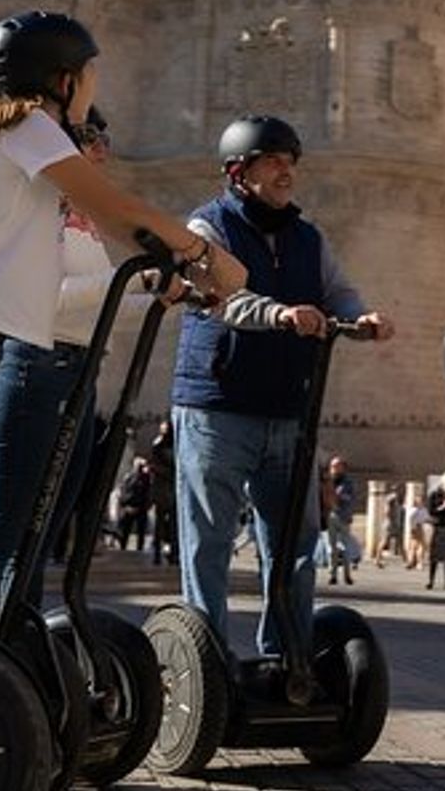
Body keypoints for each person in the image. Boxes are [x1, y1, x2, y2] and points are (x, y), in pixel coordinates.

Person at [0, 10, 245, 631]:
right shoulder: (28, 125)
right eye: (89, 76)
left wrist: (174, 271)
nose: (94, 91)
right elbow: (116, 208)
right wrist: (205, 253)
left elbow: (114, 228)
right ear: (61, 80)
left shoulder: (24, 134)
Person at [170, 113, 394, 662]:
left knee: (295, 549)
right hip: (216, 408)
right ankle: (207, 667)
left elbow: (338, 291)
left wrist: (361, 318)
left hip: (290, 411)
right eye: (272, 161)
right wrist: (278, 314)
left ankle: (288, 664)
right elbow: (220, 298)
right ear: (239, 171)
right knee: (210, 547)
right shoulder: (207, 229)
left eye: (290, 162)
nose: (285, 171)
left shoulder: (307, 237)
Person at [0, 106, 172, 609]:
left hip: (76, 373)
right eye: (90, 136)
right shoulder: (34, 209)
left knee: (42, 535)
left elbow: (92, 309)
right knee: (3, 532)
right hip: (33, 368)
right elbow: (44, 297)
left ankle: (17, 649)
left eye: (104, 137)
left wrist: (161, 302)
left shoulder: (81, 218)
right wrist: (138, 279)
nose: (103, 150)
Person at [150, 421, 178, 567]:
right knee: (163, 522)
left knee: (170, 522)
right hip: (166, 487)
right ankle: (161, 553)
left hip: (168, 487)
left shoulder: (167, 446)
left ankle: (170, 552)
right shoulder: (160, 446)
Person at [325, 456, 357, 586]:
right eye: (332, 467)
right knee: (331, 548)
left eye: (336, 467)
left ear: (342, 468)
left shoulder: (348, 483)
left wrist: (338, 496)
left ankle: (347, 575)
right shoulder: (328, 481)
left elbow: (351, 498)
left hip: (343, 516)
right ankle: (332, 575)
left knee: (345, 547)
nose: (333, 469)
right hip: (329, 516)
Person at [116, 458, 152, 551]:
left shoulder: (145, 478)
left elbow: (148, 493)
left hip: (138, 507)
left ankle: (135, 547)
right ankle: (124, 546)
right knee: (127, 530)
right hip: (132, 507)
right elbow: (123, 491)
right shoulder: (130, 478)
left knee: (138, 531)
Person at [377, 489, 404, 569]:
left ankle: (406, 561)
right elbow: (387, 513)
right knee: (384, 542)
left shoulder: (397, 505)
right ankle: (377, 559)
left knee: (400, 542)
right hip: (390, 525)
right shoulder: (389, 505)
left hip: (395, 525)